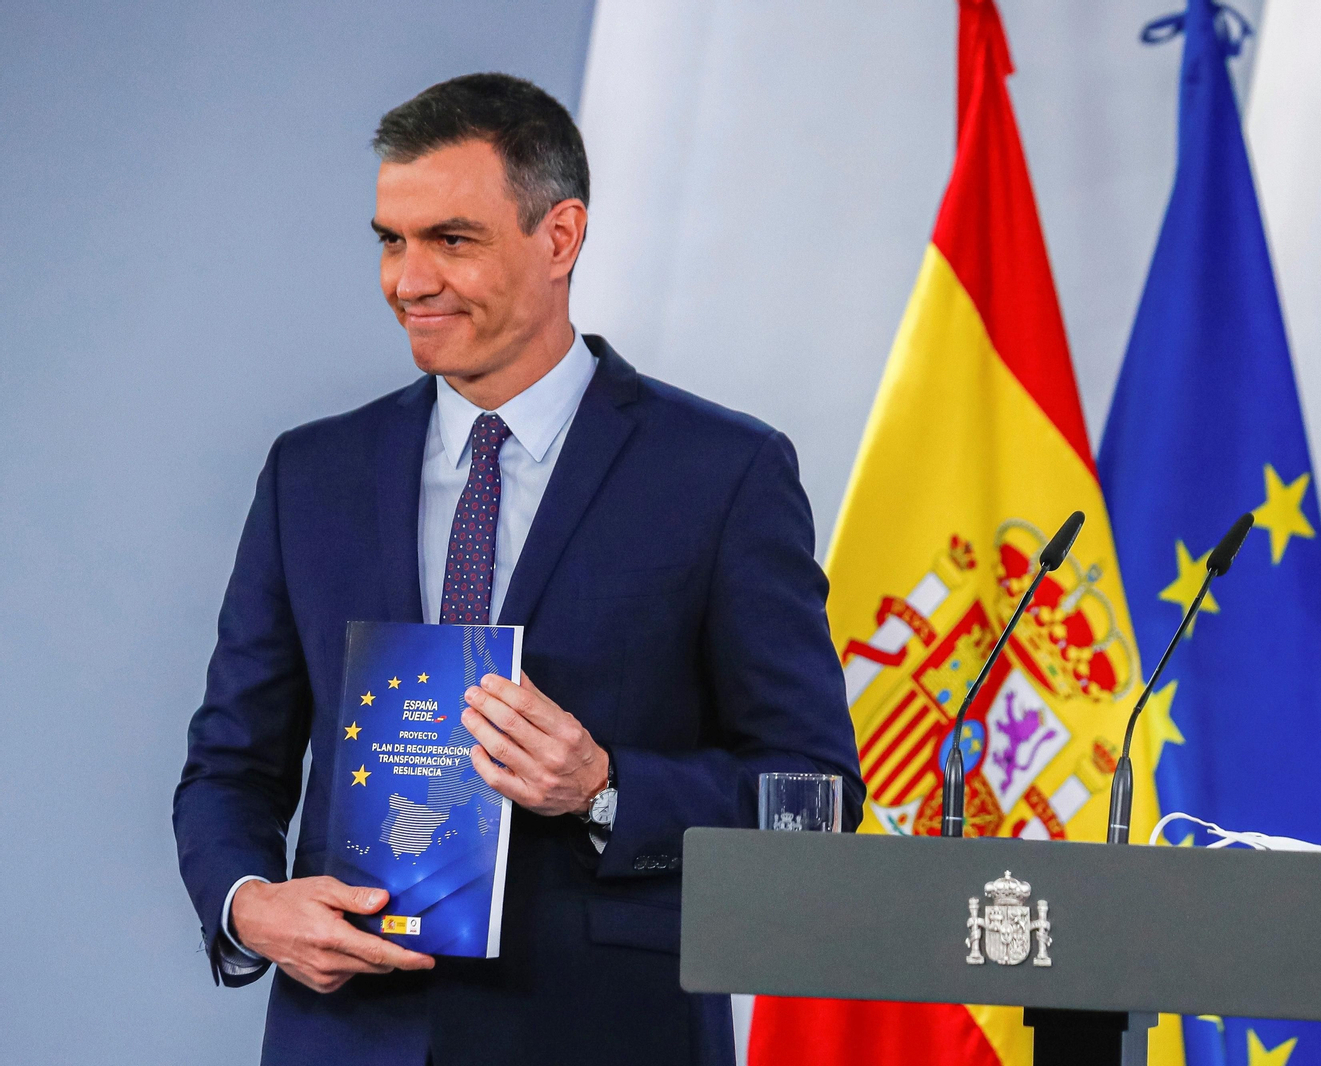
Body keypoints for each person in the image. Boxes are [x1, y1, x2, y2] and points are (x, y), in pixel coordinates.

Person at [172, 72, 864, 1066]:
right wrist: (248, 905)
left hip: (607, 1033)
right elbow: (230, 765)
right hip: (350, 1037)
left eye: (451, 240)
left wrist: (607, 788)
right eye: (391, 240)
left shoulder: (722, 473)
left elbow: (815, 796)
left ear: (559, 237)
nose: (409, 279)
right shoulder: (309, 475)